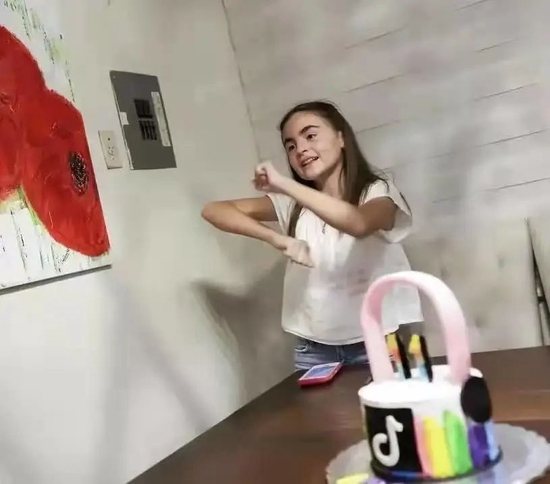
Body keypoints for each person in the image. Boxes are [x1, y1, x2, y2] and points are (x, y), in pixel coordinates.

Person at [202, 101, 422, 370]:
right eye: (290, 146)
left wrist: (283, 183)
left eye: (310, 135)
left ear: (341, 138)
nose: (300, 149)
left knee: (388, 400)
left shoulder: (378, 192)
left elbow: (358, 223)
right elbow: (213, 210)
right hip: (314, 350)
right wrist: (276, 238)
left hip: (380, 339)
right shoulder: (293, 205)